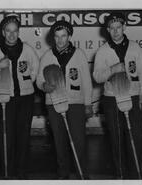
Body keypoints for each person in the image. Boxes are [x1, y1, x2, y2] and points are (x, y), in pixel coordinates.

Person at [93, 12, 142, 179]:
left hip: (133, 95)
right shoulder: (102, 51)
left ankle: (136, 174)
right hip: (112, 98)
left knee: (136, 137)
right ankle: (121, 176)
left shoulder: (134, 47)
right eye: (112, 28)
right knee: (116, 139)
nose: (116, 31)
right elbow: (97, 76)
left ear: (124, 27)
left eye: (119, 27)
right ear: (107, 30)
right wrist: (112, 69)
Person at [36, 20, 93, 179]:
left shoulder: (79, 54)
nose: (60, 40)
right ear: (53, 37)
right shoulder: (48, 56)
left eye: (64, 36)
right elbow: (39, 79)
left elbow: (87, 81)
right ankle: (63, 174)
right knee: (59, 142)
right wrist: (43, 85)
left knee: (78, 141)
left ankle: (83, 174)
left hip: (76, 103)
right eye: (57, 36)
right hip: (54, 102)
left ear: (69, 36)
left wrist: (88, 103)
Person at [0, 15, 39, 179]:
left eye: (15, 31)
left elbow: (35, 69)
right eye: (8, 31)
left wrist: (28, 83)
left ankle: (22, 171)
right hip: (5, 100)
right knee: (6, 137)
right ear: (3, 32)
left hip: (25, 99)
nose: (11, 35)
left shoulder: (28, 49)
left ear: (18, 32)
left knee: (23, 136)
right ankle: (7, 172)